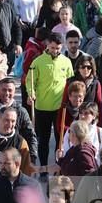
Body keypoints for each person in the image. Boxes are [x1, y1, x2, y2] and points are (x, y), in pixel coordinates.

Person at [26, 32, 74, 166]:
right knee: (43, 139)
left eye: (58, 48)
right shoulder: (38, 61)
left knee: (60, 139)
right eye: (52, 48)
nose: (55, 51)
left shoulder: (66, 61)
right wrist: (31, 93)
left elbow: (70, 82)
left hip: (60, 107)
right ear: (48, 44)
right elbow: (30, 81)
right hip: (42, 106)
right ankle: (43, 166)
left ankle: (59, 166)